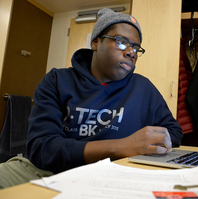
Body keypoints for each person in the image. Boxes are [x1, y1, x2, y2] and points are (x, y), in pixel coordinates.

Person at [0, 8, 183, 188]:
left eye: (136, 47)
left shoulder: (144, 89)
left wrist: (147, 144)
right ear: (95, 43)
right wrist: (122, 146)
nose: (131, 52)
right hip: (49, 171)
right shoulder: (57, 80)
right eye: (121, 42)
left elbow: (173, 132)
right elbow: (42, 148)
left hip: (115, 173)